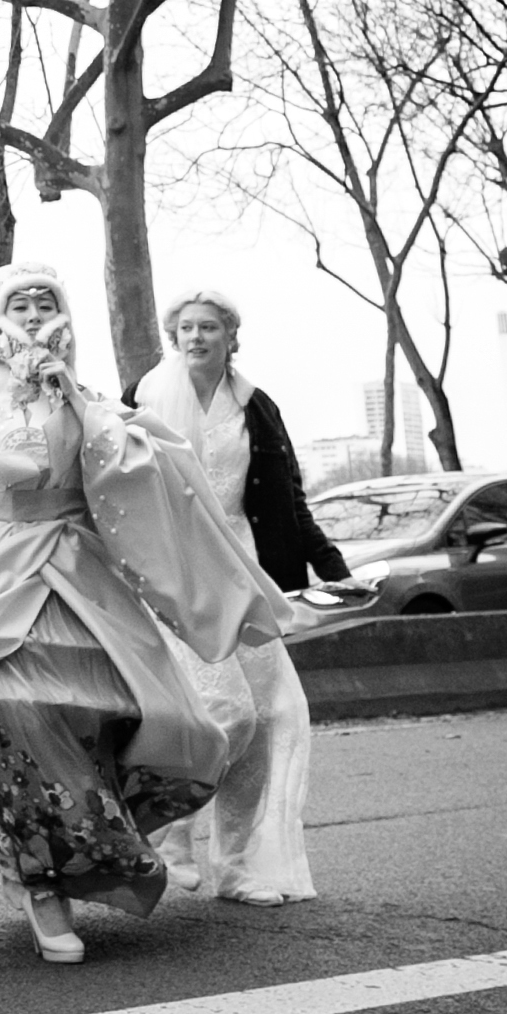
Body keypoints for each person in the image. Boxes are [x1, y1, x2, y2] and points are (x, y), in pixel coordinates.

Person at [0, 264, 291, 964]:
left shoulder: (91, 404)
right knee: (2, 710)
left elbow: (137, 477)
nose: (35, 314)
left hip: (81, 581)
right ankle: (42, 884)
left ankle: (61, 854)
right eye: (20, 305)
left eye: (47, 303)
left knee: (106, 717)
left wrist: (77, 402)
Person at [130, 289, 349, 904]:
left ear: (231, 337)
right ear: (173, 336)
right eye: (186, 328)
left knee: (270, 718)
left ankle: (238, 866)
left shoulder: (257, 405)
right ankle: (169, 833)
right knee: (224, 712)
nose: (196, 337)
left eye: (209, 327)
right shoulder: (142, 397)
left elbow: (288, 497)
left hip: (246, 572)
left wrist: (332, 567)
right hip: (176, 576)